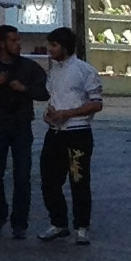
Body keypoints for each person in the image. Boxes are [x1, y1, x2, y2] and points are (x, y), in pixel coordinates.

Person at [37, 23, 106, 243]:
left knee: (79, 180)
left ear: (65, 47)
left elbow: (96, 104)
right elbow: (53, 97)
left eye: (54, 45)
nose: (50, 49)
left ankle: (82, 225)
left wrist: (69, 113)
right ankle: (58, 222)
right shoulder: (54, 71)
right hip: (55, 131)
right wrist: (50, 113)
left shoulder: (84, 70)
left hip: (77, 132)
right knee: (49, 179)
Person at [0, 27, 42, 241]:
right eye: (13, 40)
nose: (18, 44)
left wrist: (25, 89)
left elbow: (43, 91)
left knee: (22, 174)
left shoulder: (28, 67)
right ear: (1, 44)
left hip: (21, 125)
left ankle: (20, 222)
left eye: (18, 40)